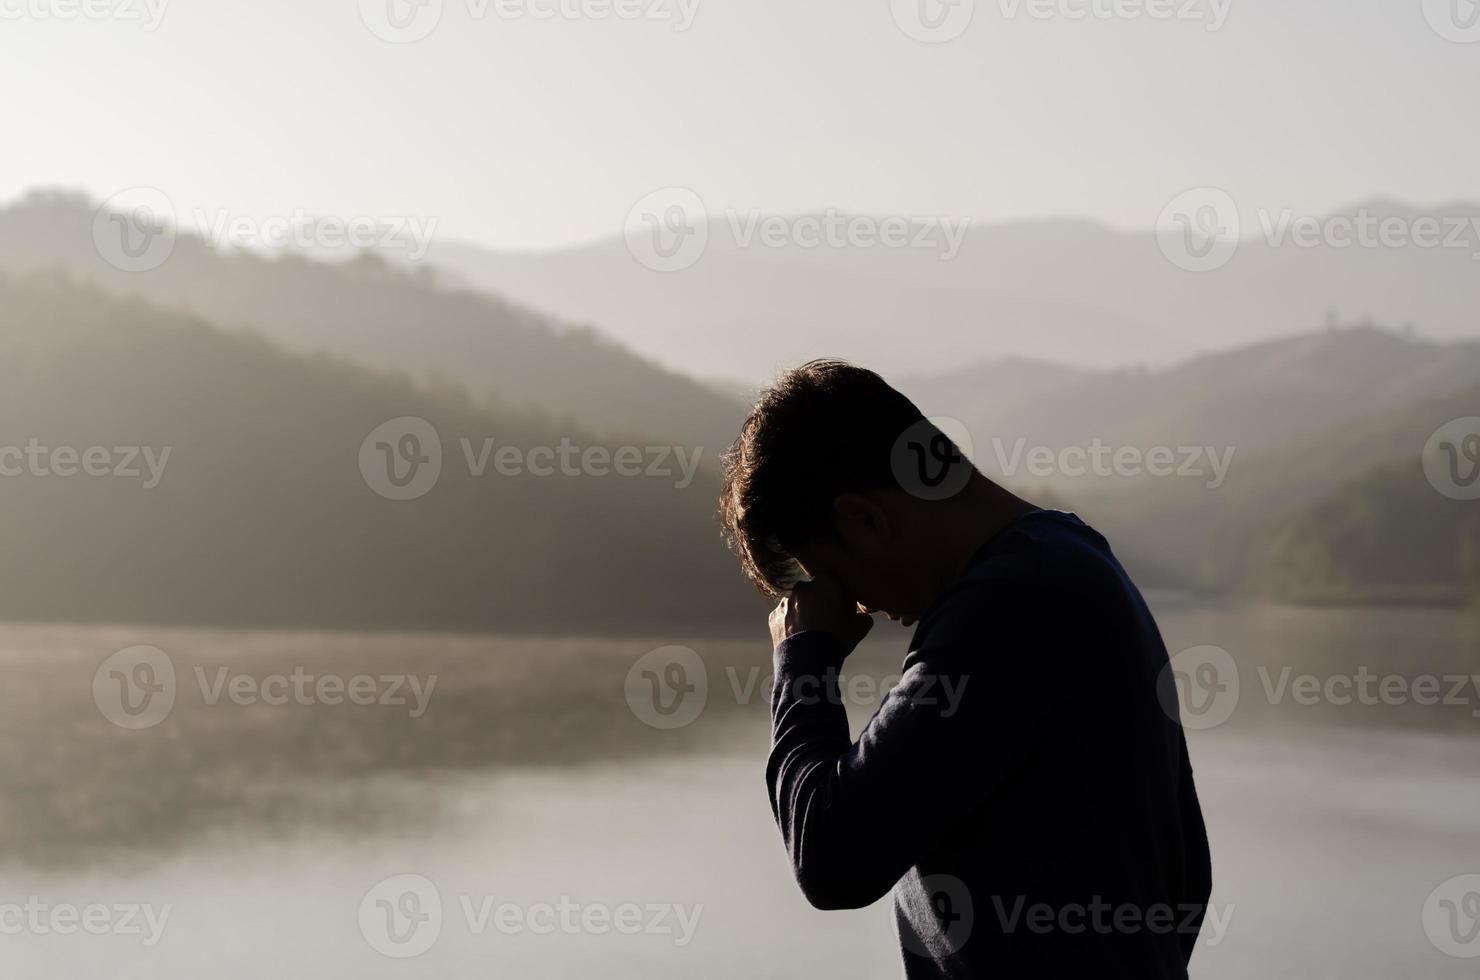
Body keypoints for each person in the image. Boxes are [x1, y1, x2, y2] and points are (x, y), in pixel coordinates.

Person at [718, 360, 1213, 978]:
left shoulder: (1009, 605)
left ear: (864, 519)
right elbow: (1186, 874)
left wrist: (801, 658)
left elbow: (831, 857)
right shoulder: (1071, 565)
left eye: (840, 583)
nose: (862, 609)